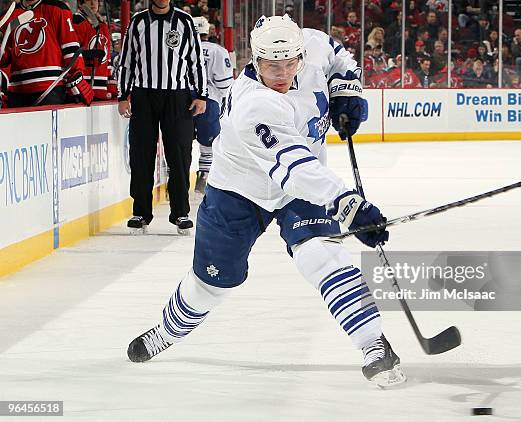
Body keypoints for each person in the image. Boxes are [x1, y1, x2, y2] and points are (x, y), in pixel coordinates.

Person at [126, 14, 406, 388]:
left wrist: (348, 88)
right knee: (214, 285)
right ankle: (166, 330)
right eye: (272, 65)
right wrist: (349, 204)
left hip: (300, 191)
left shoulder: (312, 45)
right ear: (255, 59)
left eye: (290, 63)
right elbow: (294, 165)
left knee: (321, 254)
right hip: (239, 192)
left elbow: (339, 58)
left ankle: (374, 345)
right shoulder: (252, 104)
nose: (282, 72)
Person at [117, 0, 207, 235]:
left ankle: (181, 213)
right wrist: (122, 95)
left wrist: (201, 94)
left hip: (177, 96)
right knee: (141, 154)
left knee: (179, 154)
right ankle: (140, 212)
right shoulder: (137, 22)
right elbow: (127, 62)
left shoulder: (184, 22)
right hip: (143, 95)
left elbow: (196, 61)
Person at [0, 0, 93, 107]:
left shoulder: (57, 8)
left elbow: (70, 46)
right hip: (17, 90)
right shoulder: (8, 14)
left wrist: (77, 73)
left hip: (50, 88)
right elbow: (5, 58)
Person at [192, 16, 233, 195]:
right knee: (208, 146)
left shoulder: (181, 49)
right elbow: (225, 84)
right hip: (209, 102)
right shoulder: (218, 51)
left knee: (180, 145)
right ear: (208, 32)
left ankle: (173, 182)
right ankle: (202, 179)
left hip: (180, 100)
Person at [73, 0, 115, 100]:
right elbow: (73, 54)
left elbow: (107, 59)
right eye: (89, 0)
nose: (93, 3)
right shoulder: (77, 21)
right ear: (81, 3)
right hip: (83, 87)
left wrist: (110, 86)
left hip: (101, 88)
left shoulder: (103, 26)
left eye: (95, 0)